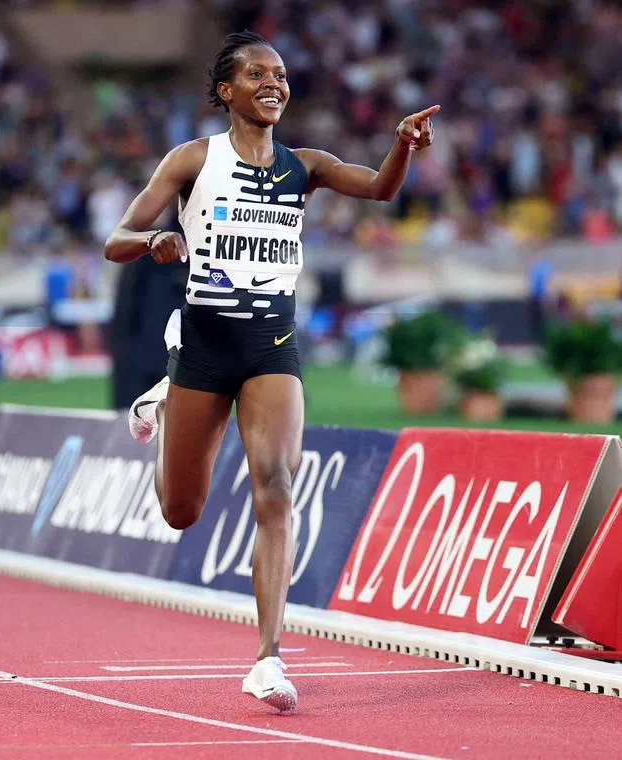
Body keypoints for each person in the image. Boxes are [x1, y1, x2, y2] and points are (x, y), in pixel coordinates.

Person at [104, 31, 438, 713]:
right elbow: (116, 240)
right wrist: (156, 239)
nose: (273, 83)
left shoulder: (303, 166)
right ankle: (165, 404)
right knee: (180, 511)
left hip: (271, 343)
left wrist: (401, 145)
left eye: (281, 74)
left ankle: (268, 657)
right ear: (226, 91)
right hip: (203, 344)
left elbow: (376, 187)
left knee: (277, 485)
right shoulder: (193, 159)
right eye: (256, 73)